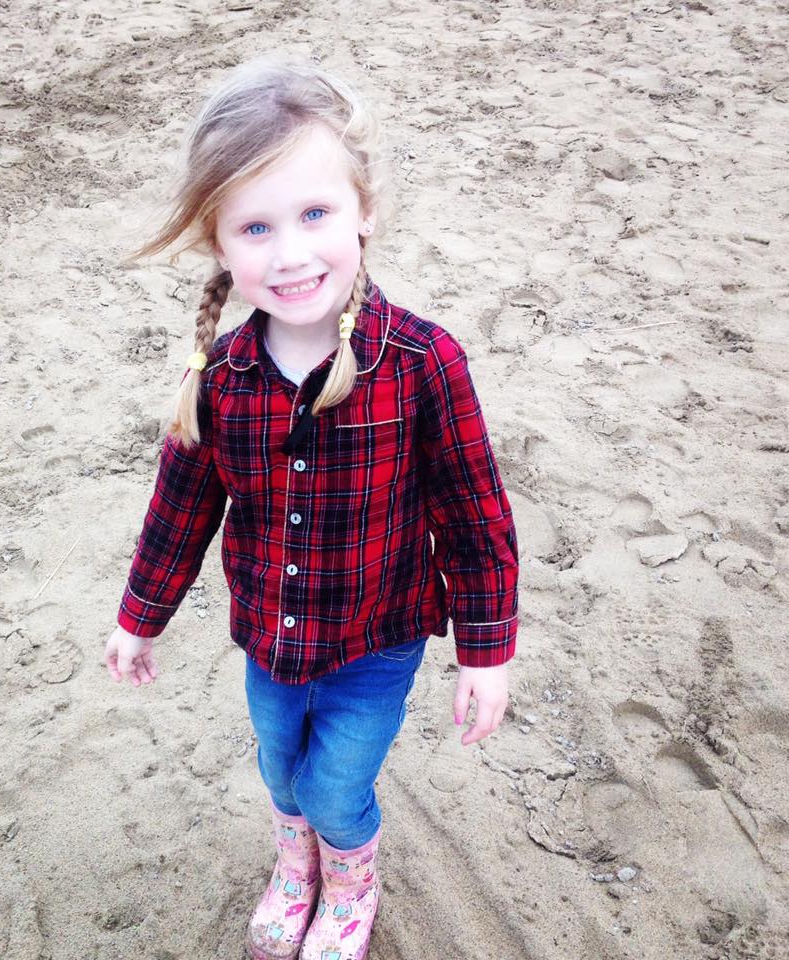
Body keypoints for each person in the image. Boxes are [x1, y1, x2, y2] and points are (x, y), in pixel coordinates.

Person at [103, 56, 519, 960]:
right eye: (256, 226)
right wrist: (140, 618)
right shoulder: (221, 377)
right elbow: (180, 509)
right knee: (280, 769)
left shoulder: (421, 362)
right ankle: (297, 867)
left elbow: (475, 513)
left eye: (315, 214)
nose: (290, 254)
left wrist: (487, 651)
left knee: (337, 786)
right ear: (220, 242)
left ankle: (349, 885)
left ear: (363, 211)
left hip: (378, 638)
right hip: (270, 635)